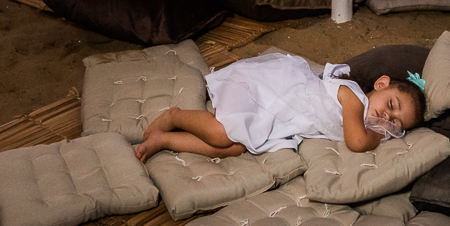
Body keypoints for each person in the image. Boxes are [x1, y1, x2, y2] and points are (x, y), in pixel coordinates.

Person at [133, 52, 426, 162]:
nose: (388, 117)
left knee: (236, 147)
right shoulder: (353, 99)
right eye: (392, 105)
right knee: (222, 134)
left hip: (281, 118)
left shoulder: (364, 114)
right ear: (380, 83)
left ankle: (166, 139)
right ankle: (175, 116)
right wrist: (377, 134)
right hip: (269, 90)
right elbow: (356, 142)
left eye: (397, 123)